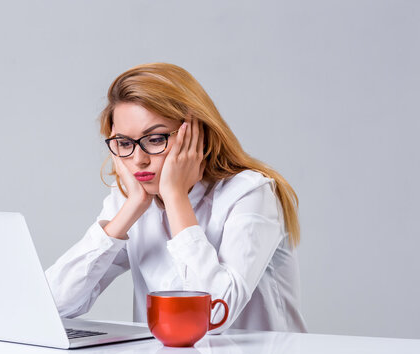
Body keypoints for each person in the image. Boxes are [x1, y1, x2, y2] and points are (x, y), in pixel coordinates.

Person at [45, 62, 307, 333]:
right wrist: (130, 209)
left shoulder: (250, 193)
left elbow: (213, 316)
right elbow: (52, 304)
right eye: (124, 143)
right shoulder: (133, 198)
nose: (138, 159)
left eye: (156, 139)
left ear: (197, 135)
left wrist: (175, 197)